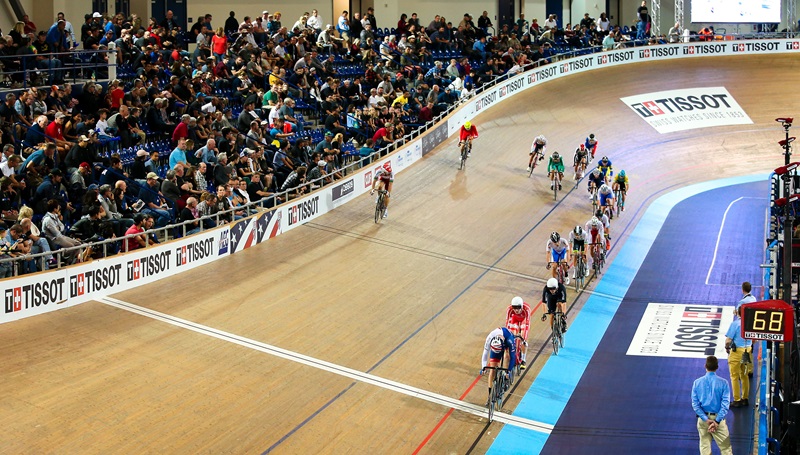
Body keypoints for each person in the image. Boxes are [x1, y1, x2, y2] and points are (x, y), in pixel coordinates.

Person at [691, 355, 733, 455]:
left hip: (703, 421)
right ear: (717, 367)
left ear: (705, 366)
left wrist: (706, 419)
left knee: (705, 448)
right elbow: (725, 405)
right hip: (718, 420)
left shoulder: (697, 383)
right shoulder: (724, 383)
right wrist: (716, 422)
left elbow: (695, 405)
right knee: (726, 449)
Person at [480, 326, 516, 405]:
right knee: (492, 369)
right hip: (496, 347)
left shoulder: (510, 340)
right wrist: (483, 367)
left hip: (506, 344)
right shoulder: (489, 338)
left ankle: (505, 379)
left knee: (507, 356)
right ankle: (490, 396)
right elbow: (485, 354)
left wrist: (508, 371)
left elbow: (513, 357)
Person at [725, 306, 752, 408]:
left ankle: (737, 399)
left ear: (738, 313)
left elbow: (728, 340)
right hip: (747, 351)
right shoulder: (750, 323)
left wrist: (727, 347)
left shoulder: (735, 324)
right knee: (744, 375)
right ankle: (745, 398)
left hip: (736, 353)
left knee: (734, 376)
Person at [505, 297, 531, 369]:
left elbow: (527, 324)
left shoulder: (527, 309)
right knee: (511, 334)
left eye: (518, 308)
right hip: (515, 319)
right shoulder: (509, 309)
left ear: (522, 306)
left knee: (523, 337)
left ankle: (523, 359)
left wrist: (524, 339)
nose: (516, 310)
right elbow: (507, 324)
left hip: (524, 320)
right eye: (514, 308)